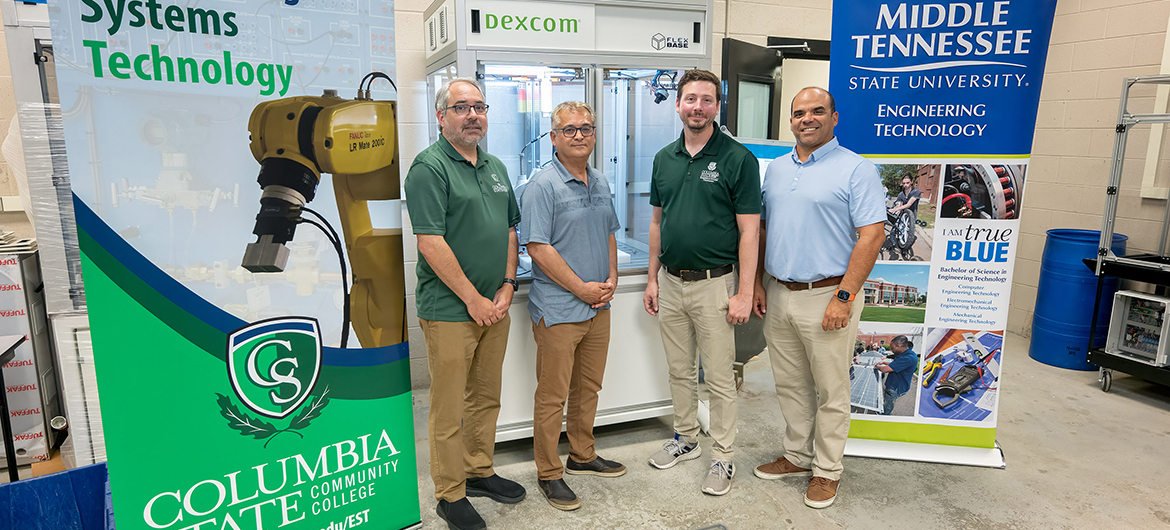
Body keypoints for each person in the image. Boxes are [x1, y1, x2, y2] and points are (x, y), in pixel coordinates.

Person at [751, 86, 885, 509]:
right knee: (790, 385)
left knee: (831, 389)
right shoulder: (774, 169)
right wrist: (757, 282)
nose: (807, 119)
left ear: (834, 117)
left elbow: (873, 235)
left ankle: (827, 471)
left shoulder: (856, 169)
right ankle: (796, 455)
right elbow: (765, 230)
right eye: (799, 113)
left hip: (828, 294)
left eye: (817, 112)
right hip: (779, 292)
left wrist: (844, 297)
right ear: (790, 120)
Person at [404, 77, 526, 530]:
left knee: (485, 398)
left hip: (495, 304)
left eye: (479, 107)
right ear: (441, 117)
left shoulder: (494, 165)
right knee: (449, 406)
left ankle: (478, 470)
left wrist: (508, 285)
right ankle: (450, 493)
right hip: (451, 310)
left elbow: (510, 230)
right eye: (461, 108)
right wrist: (474, 299)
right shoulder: (429, 168)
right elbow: (430, 242)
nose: (473, 115)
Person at [642, 69, 760, 497]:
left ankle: (723, 457)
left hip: (716, 285)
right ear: (678, 104)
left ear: (716, 106)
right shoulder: (663, 158)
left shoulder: (737, 159)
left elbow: (750, 231)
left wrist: (744, 292)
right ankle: (686, 438)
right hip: (671, 283)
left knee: (720, 378)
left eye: (706, 100)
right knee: (678, 370)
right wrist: (653, 278)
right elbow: (657, 222)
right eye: (690, 99)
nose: (697, 107)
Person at [519, 101, 625, 511]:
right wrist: (581, 288)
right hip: (561, 308)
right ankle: (549, 473)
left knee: (588, 388)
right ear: (554, 137)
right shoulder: (542, 185)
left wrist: (611, 278)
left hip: (599, 306)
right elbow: (537, 248)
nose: (579, 135)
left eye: (586, 128)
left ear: (595, 135)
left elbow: (610, 231)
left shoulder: (598, 179)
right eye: (569, 130)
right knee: (553, 395)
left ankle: (582, 455)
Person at [877, 335, 918, 416]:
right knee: (886, 404)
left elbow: (884, 370)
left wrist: (875, 365)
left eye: (892, 348)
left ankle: (884, 419)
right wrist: (884, 362)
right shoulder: (908, 354)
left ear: (899, 346)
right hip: (896, 386)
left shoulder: (907, 358)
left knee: (887, 408)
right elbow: (897, 364)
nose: (891, 351)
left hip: (894, 388)